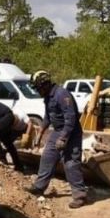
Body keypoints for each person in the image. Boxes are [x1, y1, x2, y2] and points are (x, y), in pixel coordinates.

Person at [24, 70, 88, 209]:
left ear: (45, 84)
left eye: (38, 88)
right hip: (57, 130)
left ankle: (79, 195)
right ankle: (39, 187)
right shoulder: (48, 96)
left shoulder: (62, 94)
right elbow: (48, 116)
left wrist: (64, 138)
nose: (37, 91)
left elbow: (71, 118)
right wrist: (41, 132)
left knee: (70, 163)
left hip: (71, 131)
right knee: (47, 157)